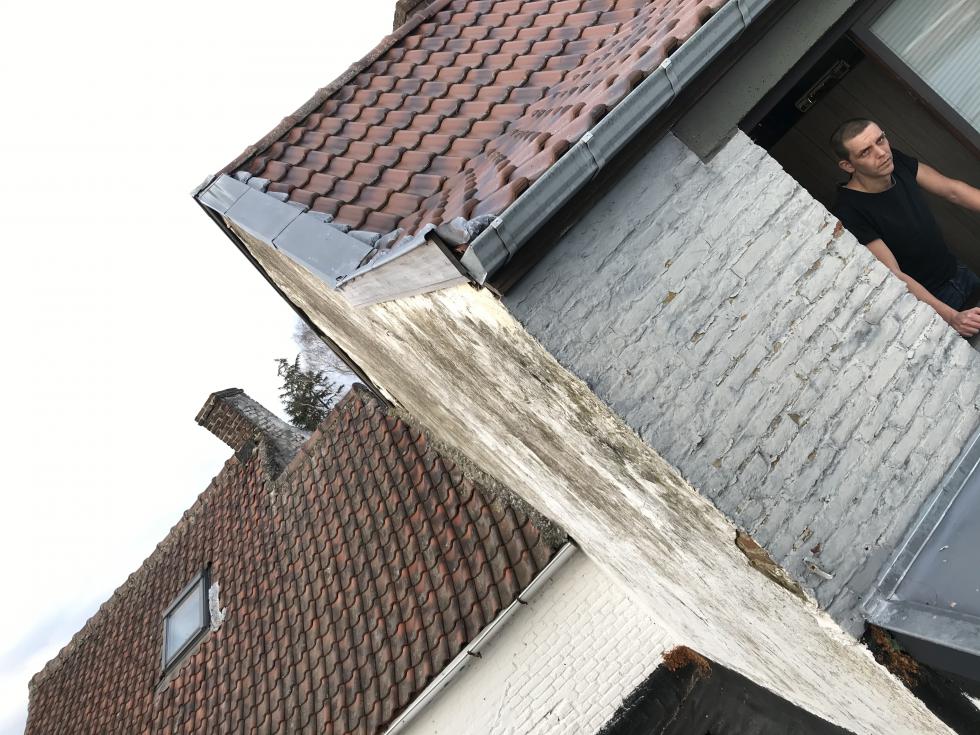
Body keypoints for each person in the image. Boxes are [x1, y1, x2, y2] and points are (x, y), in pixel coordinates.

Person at [831, 118, 980, 338]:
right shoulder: (848, 210)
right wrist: (951, 317)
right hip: (934, 303)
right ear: (848, 165)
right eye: (865, 152)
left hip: (958, 271)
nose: (881, 152)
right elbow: (894, 273)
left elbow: (952, 190)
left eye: (880, 140)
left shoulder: (894, 161)